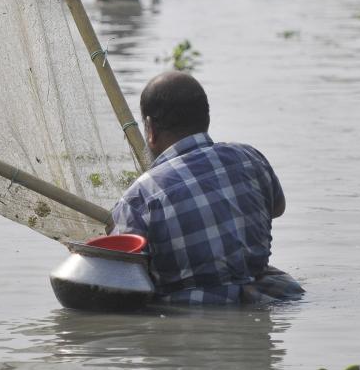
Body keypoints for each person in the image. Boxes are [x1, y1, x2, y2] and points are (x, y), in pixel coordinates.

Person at [110, 72, 300, 305]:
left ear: (149, 129)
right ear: (206, 119)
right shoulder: (250, 158)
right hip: (268, 299)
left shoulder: (139, 198)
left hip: (196, 312)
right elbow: (277, 208)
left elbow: (117, 277)